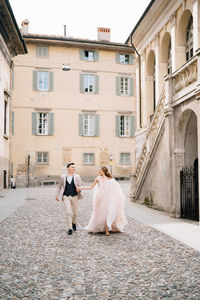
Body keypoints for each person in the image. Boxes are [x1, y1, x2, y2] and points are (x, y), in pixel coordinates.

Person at [78, 166, 127, 236]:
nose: (99, 171)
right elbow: (91, 187)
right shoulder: (98, 178)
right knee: (99, 213)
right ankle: (96, 227)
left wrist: (117, 197)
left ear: (104, 171)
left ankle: (107, 229)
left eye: (100, 170)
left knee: (108, 212)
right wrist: (81, 188)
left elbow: (116, 188)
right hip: (100, 198)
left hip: (108, 198)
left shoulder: (110, 178)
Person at [56, 163, 83, 235]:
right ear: (68, 168)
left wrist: (79, 189)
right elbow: (59, 187)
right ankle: (70, 228)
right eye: (72, 167)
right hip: (66, 196)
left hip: (75, 196)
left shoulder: (77, 176)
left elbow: (80, 185)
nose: (74, 168)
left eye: (74, 167)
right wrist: (57, 195)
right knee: (68, 212)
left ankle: (74, 223)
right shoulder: (63, 177)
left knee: (75, 213)